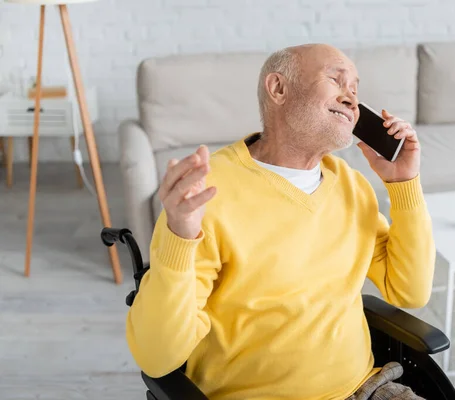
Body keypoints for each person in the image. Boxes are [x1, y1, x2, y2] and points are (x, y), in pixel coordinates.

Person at [125, 43, 435, 400]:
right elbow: (157, 357)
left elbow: (410, 291)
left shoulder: (353, 186)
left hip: (364, 388)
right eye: (336, 80)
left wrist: (404, 184)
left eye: (355, 88)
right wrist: (179, 235)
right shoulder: (206, 193)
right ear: (279, 89)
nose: (351, 98)